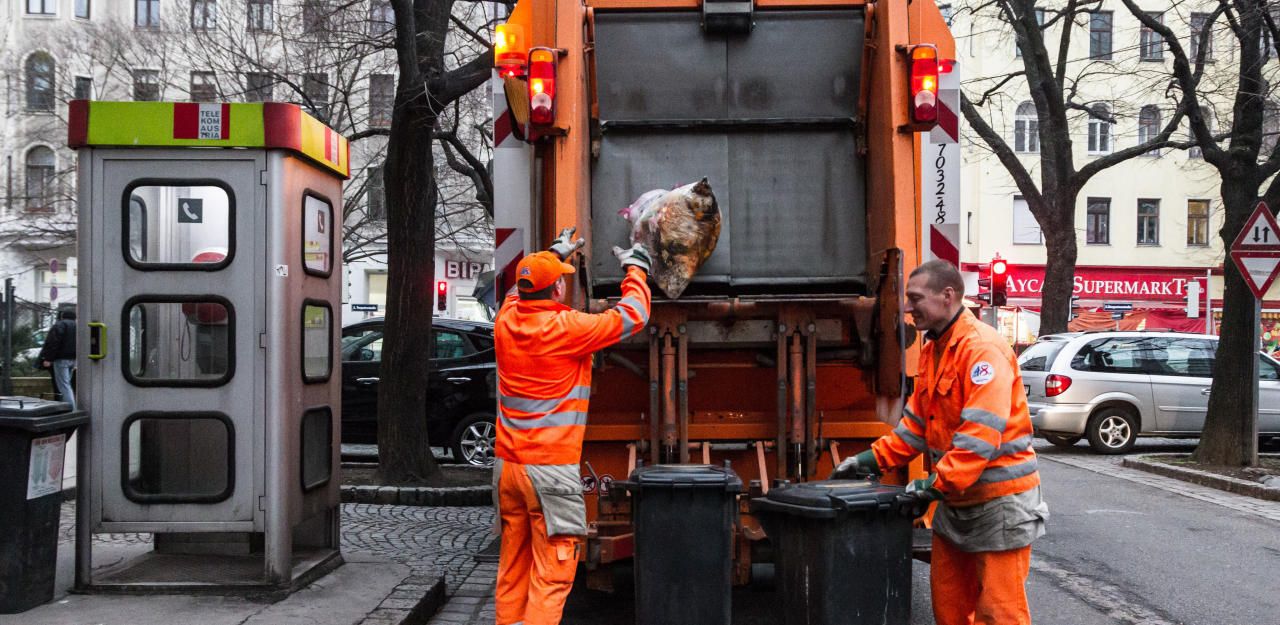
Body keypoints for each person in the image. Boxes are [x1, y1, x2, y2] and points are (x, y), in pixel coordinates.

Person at [832, 259, 1048, 625]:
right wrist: (869, 460)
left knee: (999, 613)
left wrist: (933, 485)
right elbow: (917, 425)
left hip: (1000, 506)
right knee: (949, 607)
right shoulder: (935, 350)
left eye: (915, 298)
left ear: (947, 295)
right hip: (956, 503)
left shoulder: (982, 351)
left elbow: (980, 437)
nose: (905, 306)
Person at [493, 227, 652, 625]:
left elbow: (518, 291)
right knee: (552, 572)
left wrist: (552, 254)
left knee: (514, 567)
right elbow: (634, 315)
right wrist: (637, 268)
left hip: (510, 469)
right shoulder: (567, 330)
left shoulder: (505, 320)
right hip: (549, 470)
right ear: (557, 292)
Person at [39, 308, 77, 410]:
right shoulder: (78, 326)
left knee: (64, 386)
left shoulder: (59, 325)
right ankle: (68, 406)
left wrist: (48, 359)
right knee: (67, 384)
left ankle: (71, 409)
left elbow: (53, 343)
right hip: (73, 359)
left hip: (61, 359)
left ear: (62, 316)